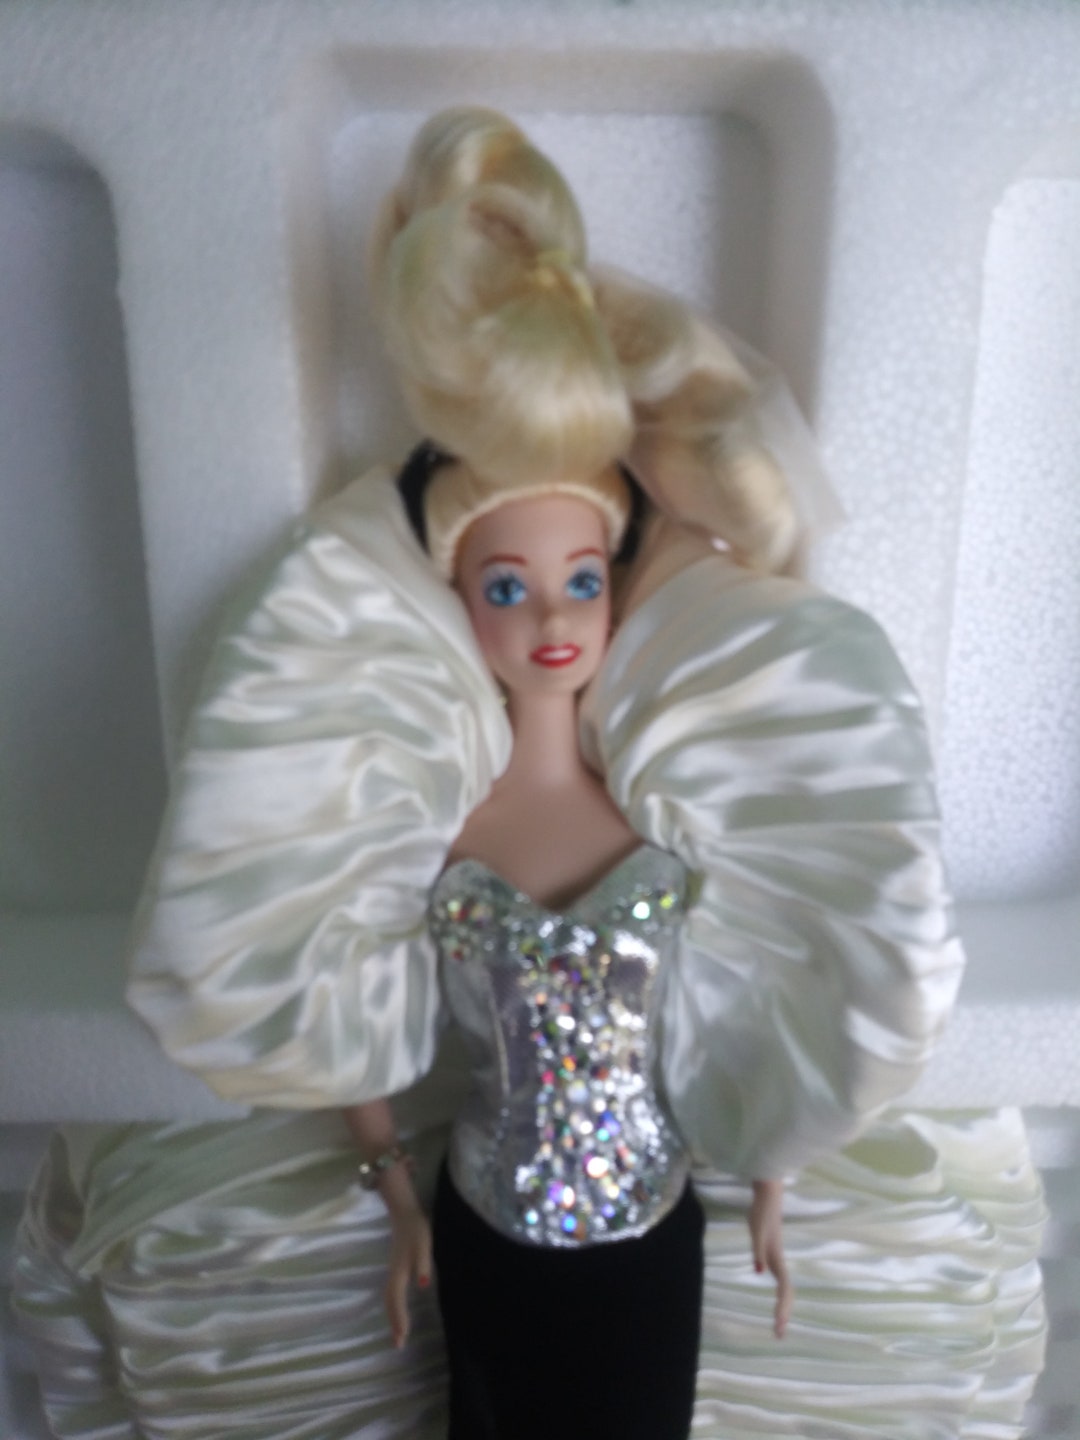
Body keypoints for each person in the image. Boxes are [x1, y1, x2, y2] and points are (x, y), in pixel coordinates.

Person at [16, 108, 1038, 1440]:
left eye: (580, 580)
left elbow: (759, 1000)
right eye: (508, 586)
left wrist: (774, 1182)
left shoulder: (667, 810)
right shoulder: (430, 826)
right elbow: (342, 987)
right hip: (483, 1225)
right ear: (455, 600)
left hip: (653, 1228)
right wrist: (392, 1190)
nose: (552, 616)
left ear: (617, 587)